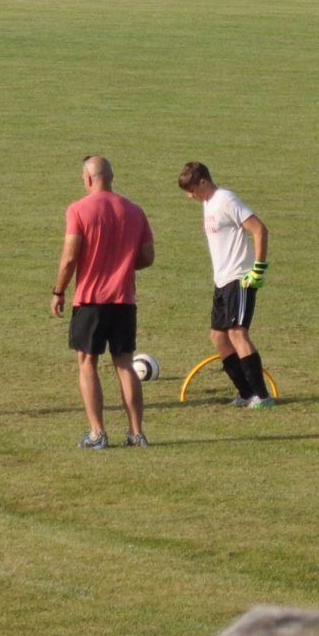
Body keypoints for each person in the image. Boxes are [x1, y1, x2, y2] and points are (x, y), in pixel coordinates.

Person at [52, 155, 155, 449]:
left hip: (91, 301)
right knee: (125, 364)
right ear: (111, 176)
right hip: (124, 299)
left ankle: (97, 433)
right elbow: (147, 257)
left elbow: (71, 256)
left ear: (87, 179)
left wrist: (58, 290)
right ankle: (137, 433)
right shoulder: (134, 211)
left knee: (87, 363)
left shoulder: (78, 210)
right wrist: (120, 265)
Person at [179, 161, 273, 407]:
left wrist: (258, 270)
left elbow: (260, 230)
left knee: (237, 332)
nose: (190, 196)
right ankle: (245, 393)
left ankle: (262, 396)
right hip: (221, 281)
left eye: (192, 190)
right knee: (218, 336)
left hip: (239, 278)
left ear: (203, 182)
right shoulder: (208, 203)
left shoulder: (226, 200)